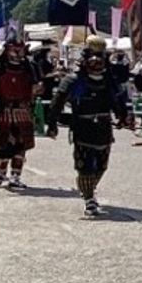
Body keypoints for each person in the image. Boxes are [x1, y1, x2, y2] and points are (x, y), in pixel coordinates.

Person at [46, 34, 134, 216]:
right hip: (82, 126)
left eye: (100, 58)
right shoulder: (73, 80)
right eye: (92, 58)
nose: (96, 62)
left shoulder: (110, 80)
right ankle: (89, 199)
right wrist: (52, 123)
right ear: (85, 58)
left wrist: (123, 116)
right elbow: (57, 102)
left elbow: (118, 100)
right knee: (85, 165)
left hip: (103, 126)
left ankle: (88, 188)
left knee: (101, 166)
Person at [0, 32, 39, 188]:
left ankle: (15, 176)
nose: (18, 54)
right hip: (5, 110)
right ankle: (0, 173)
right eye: (15, 50)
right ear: (7, 50)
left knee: (21, 144)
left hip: (23, 110)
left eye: (21, 50)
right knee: (3, 144)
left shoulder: (29, 67)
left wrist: (36, 90)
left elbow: (35, 86)